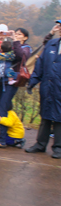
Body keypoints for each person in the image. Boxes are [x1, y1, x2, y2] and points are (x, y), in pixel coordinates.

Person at [25, 21, 61, 158]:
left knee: (59, 118)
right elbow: (39, 66)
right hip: (48, 86)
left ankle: (58, 147)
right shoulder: (52, 44)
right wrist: (32, 82)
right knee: (45, 116)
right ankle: (40, 144)